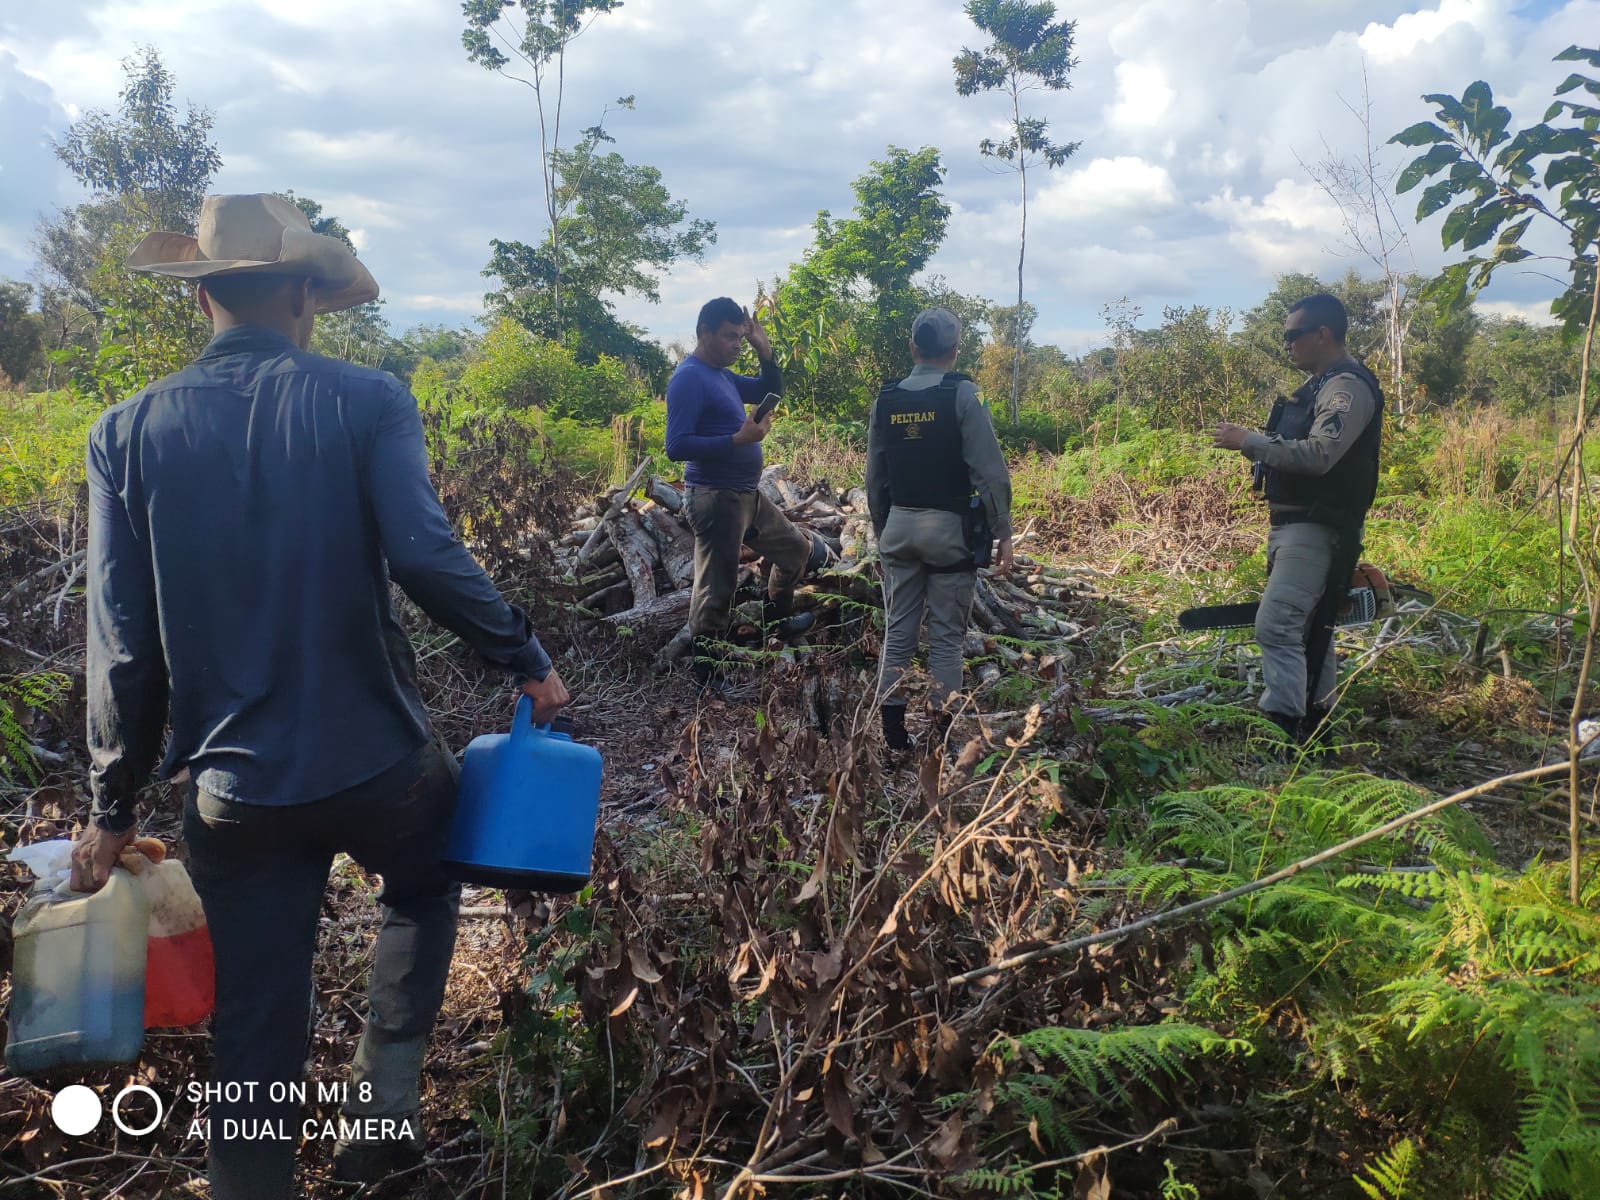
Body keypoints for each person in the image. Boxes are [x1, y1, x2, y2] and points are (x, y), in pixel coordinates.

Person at [68, 193, 570, 1200]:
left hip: (234, 797)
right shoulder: (368, 400)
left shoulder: (123, 433)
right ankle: (377, 1122)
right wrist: (523, 656)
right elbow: (424, 553)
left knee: (256, 1017)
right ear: (305, 295)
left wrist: (111, 807)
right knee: (424, 884)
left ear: (200, 297)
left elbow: (122, 644)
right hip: (380, 768)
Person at [1212, 292, 1383, 743]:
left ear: (1322, 334)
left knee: (1278, 624)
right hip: (1296, 525)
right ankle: (1316, 722)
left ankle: (1283, 728)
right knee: (1309, 626)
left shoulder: (1346, 388)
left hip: (1317, 528)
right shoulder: (1320, 386)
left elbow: (1321, 454)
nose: (1287, 344)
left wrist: (1249, 441)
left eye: (1293, 335)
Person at [866, 307, 1013, 751]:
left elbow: (875, 476)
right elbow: (991, 472)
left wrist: (883, 528)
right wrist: (1003, 531)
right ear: (955, 350)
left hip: (899, 529)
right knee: (947, 641)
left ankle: (894, 739)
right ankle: (942, 740)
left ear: (913, 346)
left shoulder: (886, 399)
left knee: (898, 635)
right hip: (949, 534)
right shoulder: (964, 394)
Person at [664, 297, 820, 690]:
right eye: (729, 337)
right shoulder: (689, 377)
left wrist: (763, 349)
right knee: (716, 589)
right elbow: (676, 446)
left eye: (739, 337)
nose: (737, 345)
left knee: (795, 551)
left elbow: (770, 388)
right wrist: (737, 439)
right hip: (715, 496)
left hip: (746, 495)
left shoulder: (723, 375)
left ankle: (775, 622)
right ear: (704, 333)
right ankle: (707, 675)